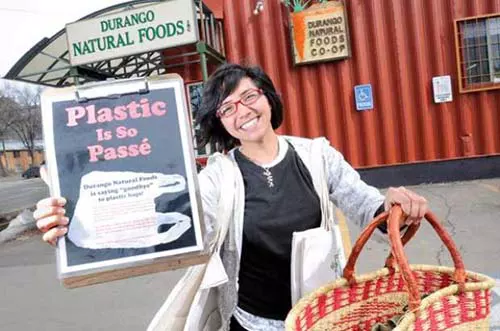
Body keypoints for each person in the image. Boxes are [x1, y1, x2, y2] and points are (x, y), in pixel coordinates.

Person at [34, 63, 428, 331]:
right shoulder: (215, 178)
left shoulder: (318, 155)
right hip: (251, 322)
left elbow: (364, 204)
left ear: (269, 99)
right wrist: (79, 231)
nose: (242, 111)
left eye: (249, 96)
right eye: (227, 107)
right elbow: (164, 227)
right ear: (220, 122)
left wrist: (395, 208)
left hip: (320, 318)